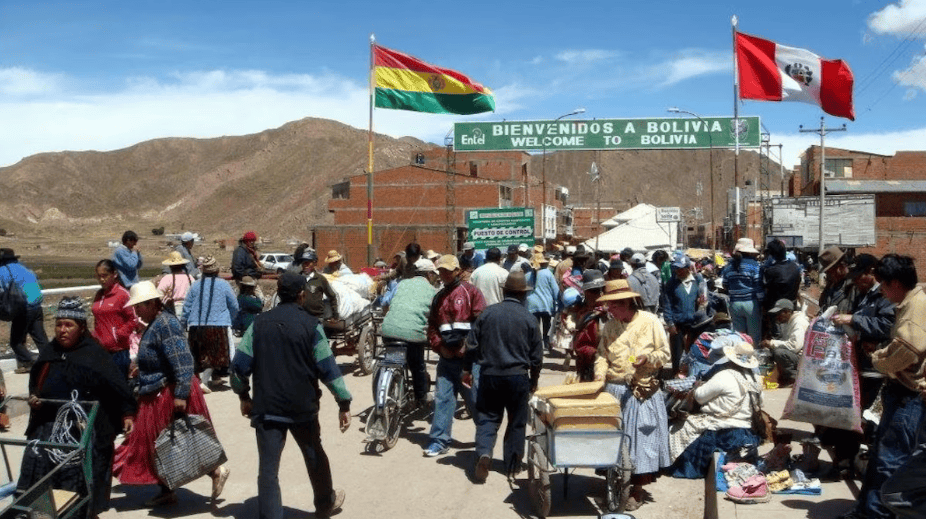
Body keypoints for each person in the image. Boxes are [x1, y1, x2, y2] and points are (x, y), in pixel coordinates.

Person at [231, 272, 351, 519]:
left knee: (268, 469)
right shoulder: (311, 326)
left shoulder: (259, 324)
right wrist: (344, 401)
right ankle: (324, 504)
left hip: (267, 407)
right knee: (313, 453)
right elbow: (328, 368)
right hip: (302, 407)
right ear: (301, 295)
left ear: (278, 292)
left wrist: (244, 396)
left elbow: (238, 367)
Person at [113, 281, 229, 507]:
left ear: (150, 304)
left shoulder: (165, 324)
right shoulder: (155, 324)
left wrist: (181, 395)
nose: (135, 312)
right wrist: (142, 366)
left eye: (138, 306)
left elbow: (183, 362)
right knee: (159, 445)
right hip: (156, 390)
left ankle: (215, 470)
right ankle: (167, 490)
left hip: (169, 393)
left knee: (177, 441)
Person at [18, 297, 136, 518]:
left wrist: (127, 412)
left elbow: (117, 387)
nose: (62, 330)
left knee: (81, 485)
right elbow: (36, 382)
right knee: (44, 481)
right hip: (49, 428)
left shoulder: (94, 354)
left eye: (68, 325)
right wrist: (35, 397)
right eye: (59, 324)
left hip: (85, 431)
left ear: (81, 328)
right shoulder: (49, 352)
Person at [841, 254, 926, 519]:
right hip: (898, 393)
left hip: (909, 396)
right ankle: (866, 510)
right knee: (879, 455)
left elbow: (906, 351)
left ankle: (878, 514)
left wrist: (878, 359)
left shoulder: (915, 309)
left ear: (897, 283)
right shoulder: (908, 304)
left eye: (885, 286)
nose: (884, 293)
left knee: (891, 460)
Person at [594, 279, 671, 511]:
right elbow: (602, 355)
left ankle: (636, 490)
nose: (609, 310)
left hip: (641, 391)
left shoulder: (650, 322)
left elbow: (664, 354)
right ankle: (616, 481)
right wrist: (599, 377)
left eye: (613, 305)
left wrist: (647, 359)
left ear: (626, 302)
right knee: (614, 442)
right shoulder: (609, 326)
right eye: (608, 306)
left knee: (640, 442)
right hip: (614, 390)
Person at [464, 270, 543, 483]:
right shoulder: (529, 319)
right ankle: (513, 464)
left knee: (488, 418)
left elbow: (470, 345)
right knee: (516, 422)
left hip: (489, 375)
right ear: (523, 295)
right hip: (518, 377)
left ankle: (484, 453)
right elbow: (536, 357)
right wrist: (533, 381)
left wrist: (467, 370)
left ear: (505, 291)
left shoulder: (487, 314)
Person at [825, 253, 894, 468]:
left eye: (859, 276)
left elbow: (887, 325)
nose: (855, 281)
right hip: (860, 365)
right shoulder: (863, 294)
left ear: (871, 272)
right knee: (852, 413)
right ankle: (847, 460)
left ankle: (868, 464)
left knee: (870, 418)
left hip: (877, 368)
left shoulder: (885, 296)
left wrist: (855, 320)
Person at [668, 341, 763, 479]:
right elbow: (761, 402)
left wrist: (698, 387)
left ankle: (673, 464)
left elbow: (700, 396)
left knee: (678, 428)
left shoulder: (725, 375)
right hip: (747, 430)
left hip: (723, 431)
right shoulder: (756, 378)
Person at [424, 255, 486, 457]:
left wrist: (468, 347)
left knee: (475, 399)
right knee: (442, 399)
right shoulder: (438, 297)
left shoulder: (471, 293)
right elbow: (432, 326)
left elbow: (480, 324)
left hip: (469, 360)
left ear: (457, 271)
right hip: (446, 358)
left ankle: (485, 439)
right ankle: (439, 441)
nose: (443, 275)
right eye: (440, 271)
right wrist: (438, 346)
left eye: (447, 271)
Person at [380, 258, 438, 408]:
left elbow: (386, 304)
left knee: (391, 360)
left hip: (388, 331)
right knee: (417, 366)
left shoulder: (401, 284)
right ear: (429, 274)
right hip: (412, 336)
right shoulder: (433, 291)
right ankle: (421, 398)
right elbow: (434, 316)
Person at [181, 256, 239, 393]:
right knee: (215, 355)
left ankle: (212, 378)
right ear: (217, 270)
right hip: (218, 325)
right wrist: (229, 319)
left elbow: (187, 307)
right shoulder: (224, 284)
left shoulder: (195, 285)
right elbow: (234, 305)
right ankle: (204, 381)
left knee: (198, 354)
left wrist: (183, 323)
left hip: (196, 325)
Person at [0, 248, 45, 372]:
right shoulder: (23, 267)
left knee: (16, 342)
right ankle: (50, 362)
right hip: (36, 305)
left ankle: (27, 363)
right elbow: (34, 281)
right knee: (40, 338)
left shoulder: (2, 271)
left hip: (23, 309)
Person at [92, 259, 137, 379]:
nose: (101, 279)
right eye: (99, 276)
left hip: (118, 351)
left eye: (104, 276)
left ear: (114, 274)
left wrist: (120, 334)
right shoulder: (99, 295)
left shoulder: (122, 295)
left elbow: (134, 318)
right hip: (101, 351)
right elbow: (97, 318)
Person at [663, 255, 705, 374]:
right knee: (677, 354)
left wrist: (702, 301)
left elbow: (705, 298)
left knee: (694, 352)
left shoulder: (697, 281)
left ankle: (693, 376)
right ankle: (676, 377)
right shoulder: (671, 283)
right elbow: (667, 304)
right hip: (677, 325)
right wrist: (670, 323)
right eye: (676, 269)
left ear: (688, 268)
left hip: (694, 324)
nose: (679, 271)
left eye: (681, 269)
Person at [720, 238, 764, 345]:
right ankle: (754, 357)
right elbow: (758, 286)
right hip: (751, 304)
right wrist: (762, 302)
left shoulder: (728, 267)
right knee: (754, 337)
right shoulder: (754, 265)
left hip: (734, 304)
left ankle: (740, 359)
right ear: (749, 251)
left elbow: (725, 285)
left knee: (739, 338)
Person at [758, 299, 809, 385]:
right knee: (773, 350)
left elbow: (795, 346)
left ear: (787, 312)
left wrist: (772, 343)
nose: (777, 317)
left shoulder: (798, 322)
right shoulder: (790, 322)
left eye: (779, 314)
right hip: (796, 355)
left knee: (779, 352)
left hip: (802, 357)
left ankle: (794, 378)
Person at [570, 270, 607, 381]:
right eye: (594, 291)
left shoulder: (613, 312)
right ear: (586, 292)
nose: (599, 294)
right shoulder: (585, 315)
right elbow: (580, 346)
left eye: (602, 290)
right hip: (590, 367)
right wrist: (599, 355)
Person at [526, 253, 559, 351]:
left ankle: (535, 344)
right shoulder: (548, 273)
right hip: (546, 304)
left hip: (532, 304)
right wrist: (557, 302)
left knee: (535, 326)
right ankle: (545, 342)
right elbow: (555, 290)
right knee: (546, 324)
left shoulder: (528, 274)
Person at [157, 251, 195, 317]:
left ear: (170, 266)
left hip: (173, 309)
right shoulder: (190, 277)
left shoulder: (167, 278)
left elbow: (159, 295)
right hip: (189, 308)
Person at [817, 245, 851, 313]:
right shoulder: (832, 285)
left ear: (839, 268)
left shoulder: (853, 285)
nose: (827, 275)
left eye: (829, 272)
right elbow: (821, 304)